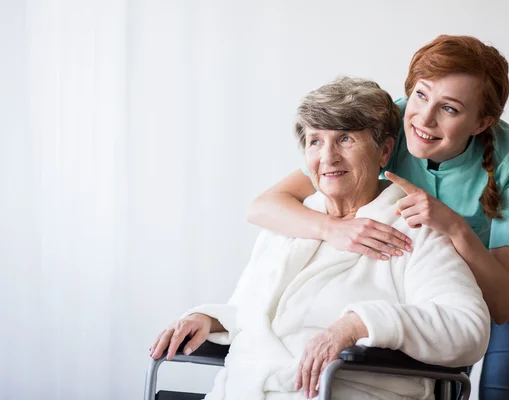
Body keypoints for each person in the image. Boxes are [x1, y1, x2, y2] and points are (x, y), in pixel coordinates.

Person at [247, 36, 509, 400]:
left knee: (500, 393)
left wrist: (456, 226)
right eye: (420, 95)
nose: (424, 118)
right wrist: (335, 230)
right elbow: (264, 206)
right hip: (441, 278)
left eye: (450, 109)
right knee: (441, 384)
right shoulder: (386, 126)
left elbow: (503, 304)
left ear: (482, 122)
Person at [150, 77, 490, 400]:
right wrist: (207, 319)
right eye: (315, 141)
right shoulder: (287, 226)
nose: (328, 157)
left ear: (384, 151)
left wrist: (358, 324)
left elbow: (468, 328)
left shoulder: (414, 229)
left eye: (345, 139)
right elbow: (249, 311)